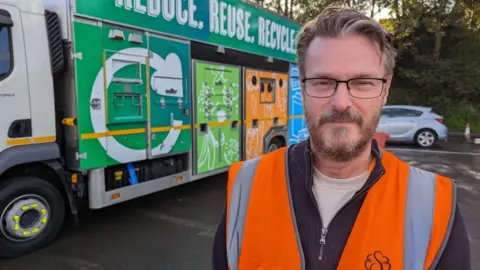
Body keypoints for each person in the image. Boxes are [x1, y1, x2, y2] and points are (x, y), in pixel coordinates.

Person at [212, 6, 471, 270]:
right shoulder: (247, 186)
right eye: (323, 82)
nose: (341, 102)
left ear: (385, 89)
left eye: (362, 83)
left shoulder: (434, 206)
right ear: (302, 87)